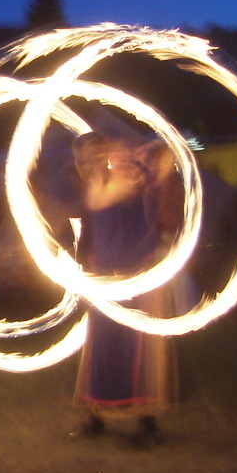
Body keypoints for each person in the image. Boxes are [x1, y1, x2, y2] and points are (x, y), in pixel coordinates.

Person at [68, 133, 178, 449]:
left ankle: (148, 424)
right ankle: (96, 417)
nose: (88, 161)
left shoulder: (136, 183)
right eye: (84, 157)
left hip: (135, 280)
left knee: (138, 355)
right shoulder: (93, 187)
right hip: (103, 281)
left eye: (97, 154)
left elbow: (167, 153)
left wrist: (139, 154)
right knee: (101, 353)